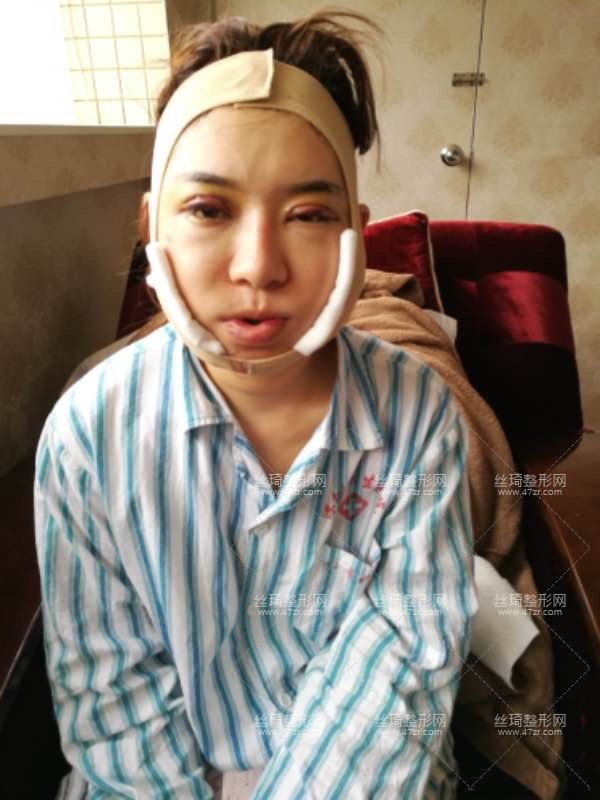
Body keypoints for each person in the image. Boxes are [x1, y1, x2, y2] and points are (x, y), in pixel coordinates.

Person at [34, 11, 478, 799]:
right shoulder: (87, 435)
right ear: (151, 228)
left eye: (308, 215)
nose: (259, 267)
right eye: (209, 210)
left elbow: (403, 668)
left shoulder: (419, 417)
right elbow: (112, 703)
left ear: (357, 237)